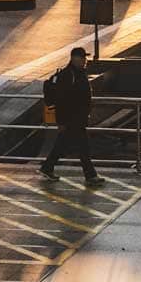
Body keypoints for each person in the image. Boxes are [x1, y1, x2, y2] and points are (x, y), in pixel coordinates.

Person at [39, 47, 105, 185]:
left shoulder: (77, 73)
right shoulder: (69, 76)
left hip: (76, 118)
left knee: (62, 145)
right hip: (72, 119)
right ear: (75, 58)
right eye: (82, 58)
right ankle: (90, 176)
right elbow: (62, 100)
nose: (85, 60)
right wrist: (61, 121)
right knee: (83, 147)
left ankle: (47, 167)